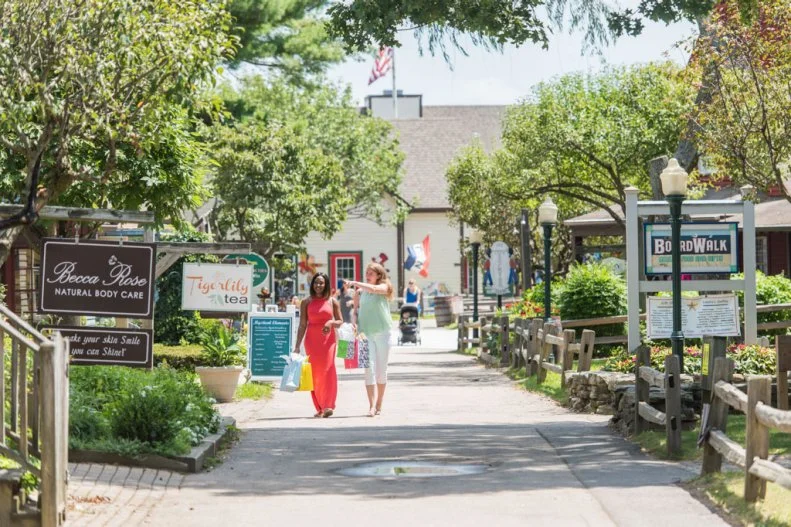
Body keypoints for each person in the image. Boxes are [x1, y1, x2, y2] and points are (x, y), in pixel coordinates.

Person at [345, 263, 394, 417]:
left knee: (381, 370)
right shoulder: (359, 292)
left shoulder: (385, 287)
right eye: (366, 273)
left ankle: (380, 402)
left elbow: (373, 289)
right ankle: (371, 406)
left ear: (379, 275)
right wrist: (353, 321)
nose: (368, 275)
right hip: (365, 334)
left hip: (383, 333)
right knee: (369, 369)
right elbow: (355, 310)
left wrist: (355, 282)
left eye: (371, 273)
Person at [293, 273, 343, 418]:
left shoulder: (332, 301)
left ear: (326, 284)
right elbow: (302, 325)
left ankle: (328, 405)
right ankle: (320, 406)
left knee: (328, 369)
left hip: (328, 340)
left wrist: (330, 323)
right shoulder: (306, 302)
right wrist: (297, 346)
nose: (318, 285)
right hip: (312, 340)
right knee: (314, 372)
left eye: (321, 283)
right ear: (312, 284)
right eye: (316, 283)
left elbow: (340, 321)